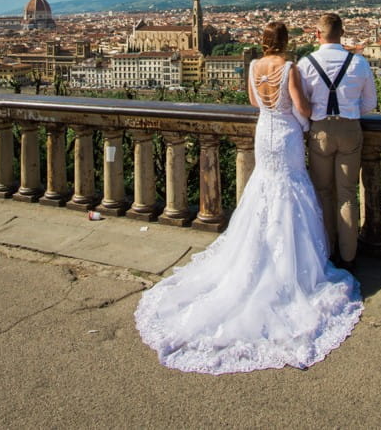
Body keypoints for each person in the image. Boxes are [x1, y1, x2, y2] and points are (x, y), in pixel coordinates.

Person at [135, 21, 363, 374]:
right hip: (286, 135)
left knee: (263, 192)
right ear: (285, 42)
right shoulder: (289, 68)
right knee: (291, 193)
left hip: (265, 132)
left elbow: (255, 101)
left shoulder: (255, 66)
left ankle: (259, 257)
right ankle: (299, 261)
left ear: (262, 42)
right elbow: (301, 107)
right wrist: (304, 121)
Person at [298, 13, 377, 273]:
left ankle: (327, 251)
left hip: (320, 131)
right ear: (342, 33)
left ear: (317, 34)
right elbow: (370, 105)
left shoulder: (306, 64)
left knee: (322, 192)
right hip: (350, 129)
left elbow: (302, 106)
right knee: (347, 195)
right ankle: (349, 256)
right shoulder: (359, 63)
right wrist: (350, 110)